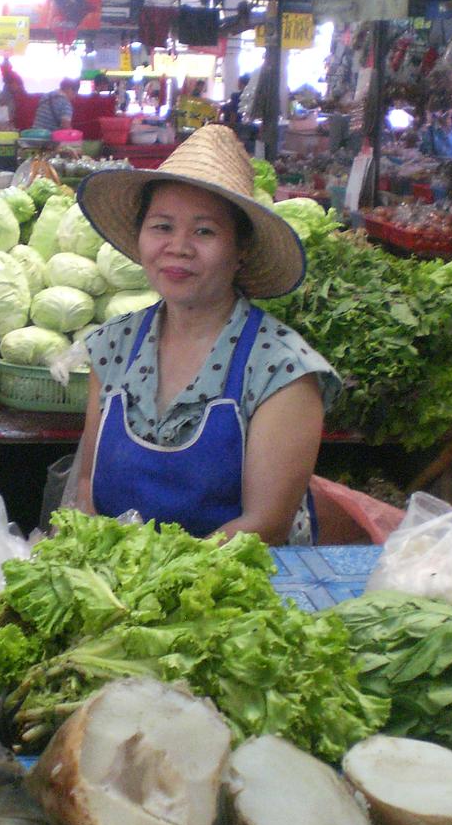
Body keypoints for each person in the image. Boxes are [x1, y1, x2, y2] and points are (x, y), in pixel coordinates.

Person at [73, 124, 339, 545]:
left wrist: (154, 573)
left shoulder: (281, 370)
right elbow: (89, 483)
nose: (178, 247)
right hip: (119, 578)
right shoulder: (112, 345)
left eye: (204, 231)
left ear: (241, 250)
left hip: (235, 579)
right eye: (162, 227)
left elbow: (265, 524)